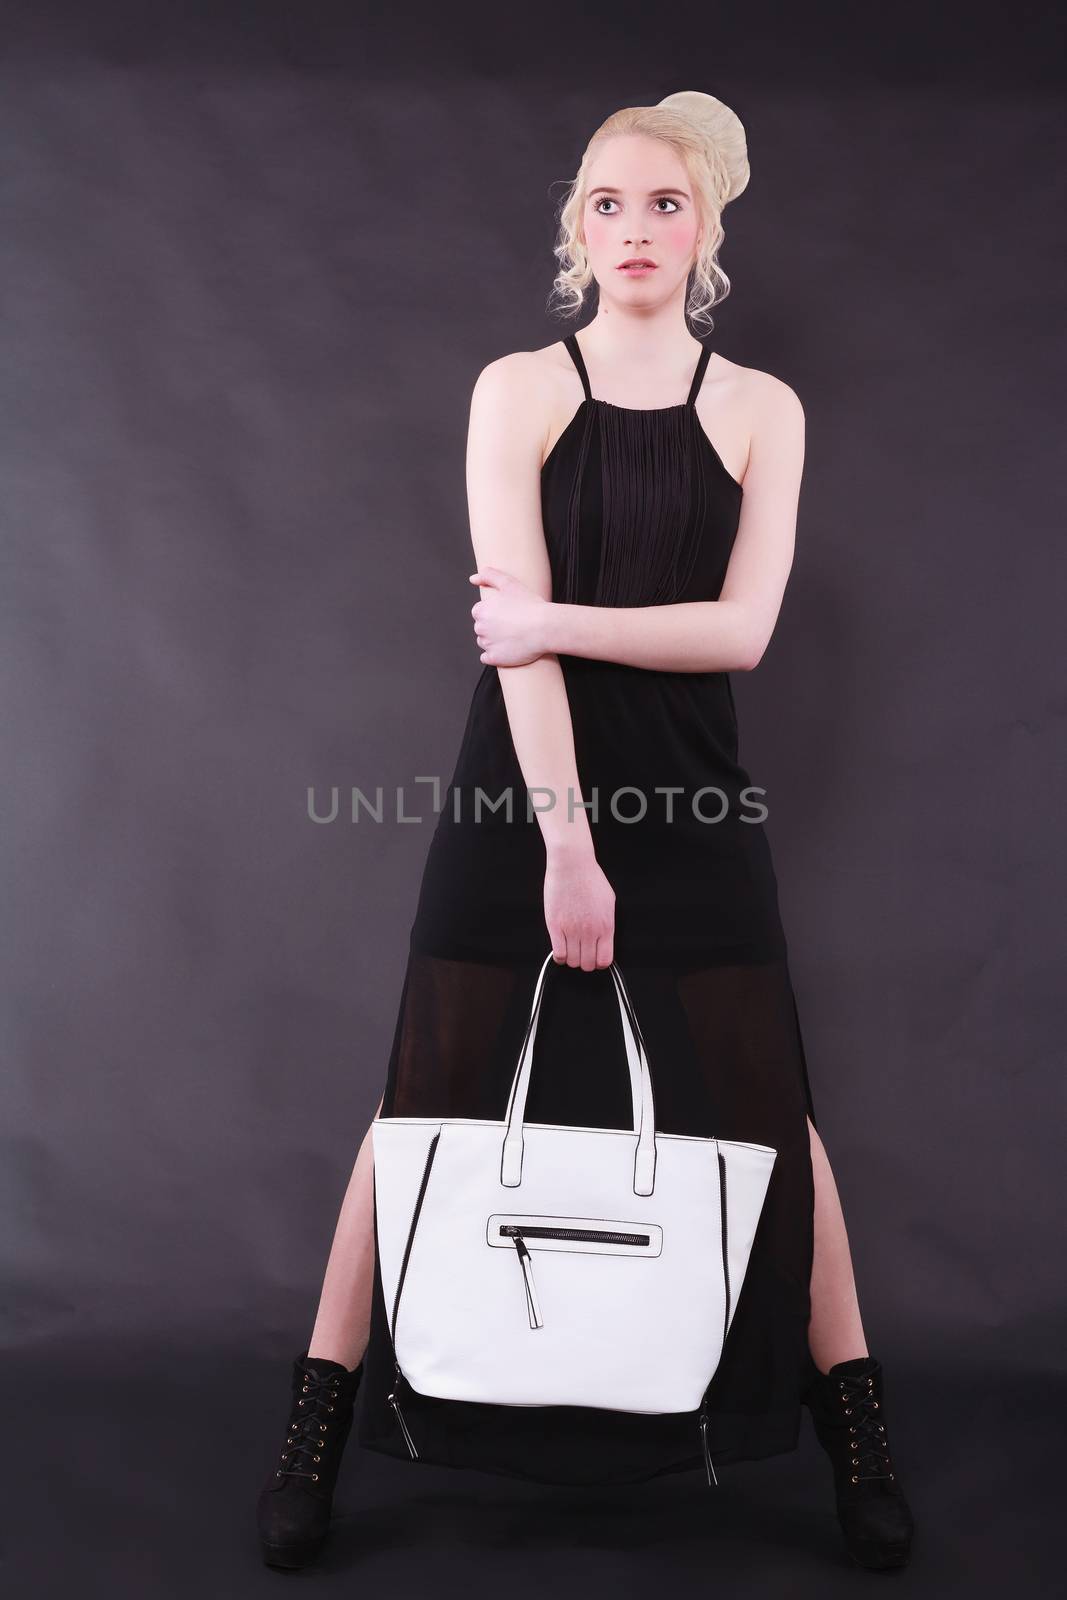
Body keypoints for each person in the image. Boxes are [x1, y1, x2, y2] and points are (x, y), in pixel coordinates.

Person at [256, 89, 916, 1573]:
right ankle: (310, 1429)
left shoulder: (760, 409)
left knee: (772, 1118)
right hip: (521, 802)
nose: (636, 230)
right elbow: (518, 655)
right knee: (418, 1101)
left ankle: (861, 1439)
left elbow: (742, 632)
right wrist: (565, 844)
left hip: (693, 805)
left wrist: (553, 614)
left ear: (709, 229)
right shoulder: (516, 388)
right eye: (609, 204)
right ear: (577, 226)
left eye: (666, 205)